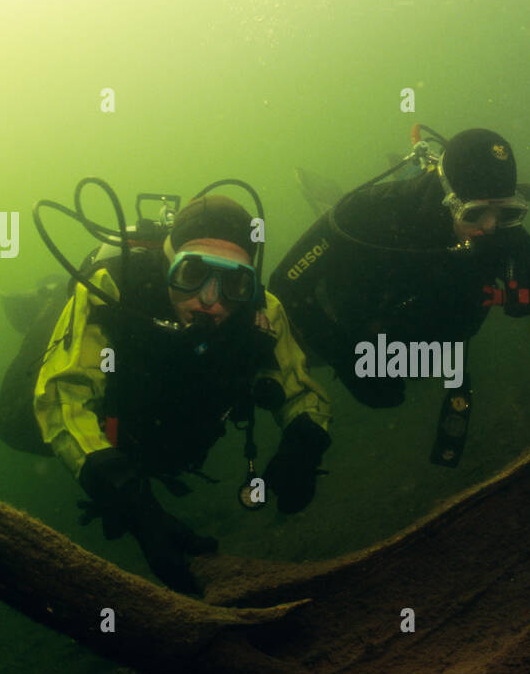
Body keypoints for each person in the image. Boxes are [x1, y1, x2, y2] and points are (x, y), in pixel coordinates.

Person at [270, 127, 530, 457]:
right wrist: (345, 357)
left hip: (432, 331)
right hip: (355, 323)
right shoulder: (369, 212)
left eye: (507, 213)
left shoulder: (500, 230)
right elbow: (286, 282)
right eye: (476, 214)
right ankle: (321, 198)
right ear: (448, 196)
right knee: (318, 360)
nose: (491, 227)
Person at [32, 194, 332, 595]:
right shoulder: (112, 288)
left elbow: (301, 388)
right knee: (9, 420)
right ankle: (48, 302)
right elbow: (62, 397)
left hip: (176, 434)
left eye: (234, 282)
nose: (210, 300)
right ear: (168, 263)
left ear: (249, 282)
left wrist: (304, 441)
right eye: (192, 274)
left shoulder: (263, 311)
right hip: (121, 423)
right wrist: (131, 501)